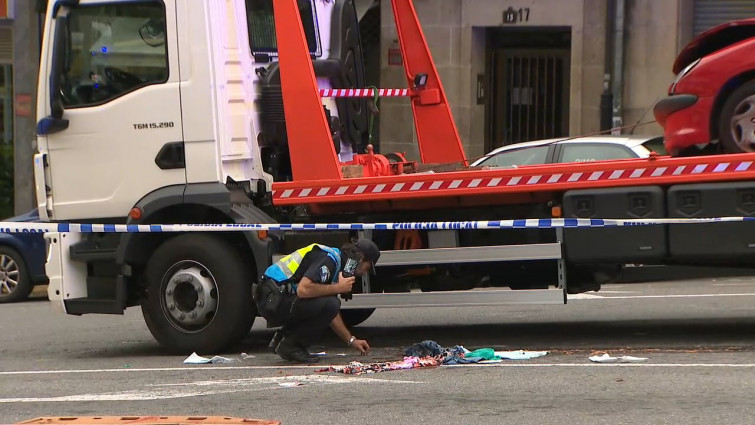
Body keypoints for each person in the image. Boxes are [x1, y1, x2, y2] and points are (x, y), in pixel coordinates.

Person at [253, 239, 380, 363]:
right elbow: (303, 290)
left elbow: (331, 312)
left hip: (273, 297)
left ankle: (282, 338)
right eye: (367, 268)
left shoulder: (334, 261)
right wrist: (338, 288)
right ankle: (291, 345)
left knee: (329, 303)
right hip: (272, 299)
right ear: (361, 259)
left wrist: (351, 340)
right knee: (331, 303)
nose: (364, 273)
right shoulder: (329, 259)